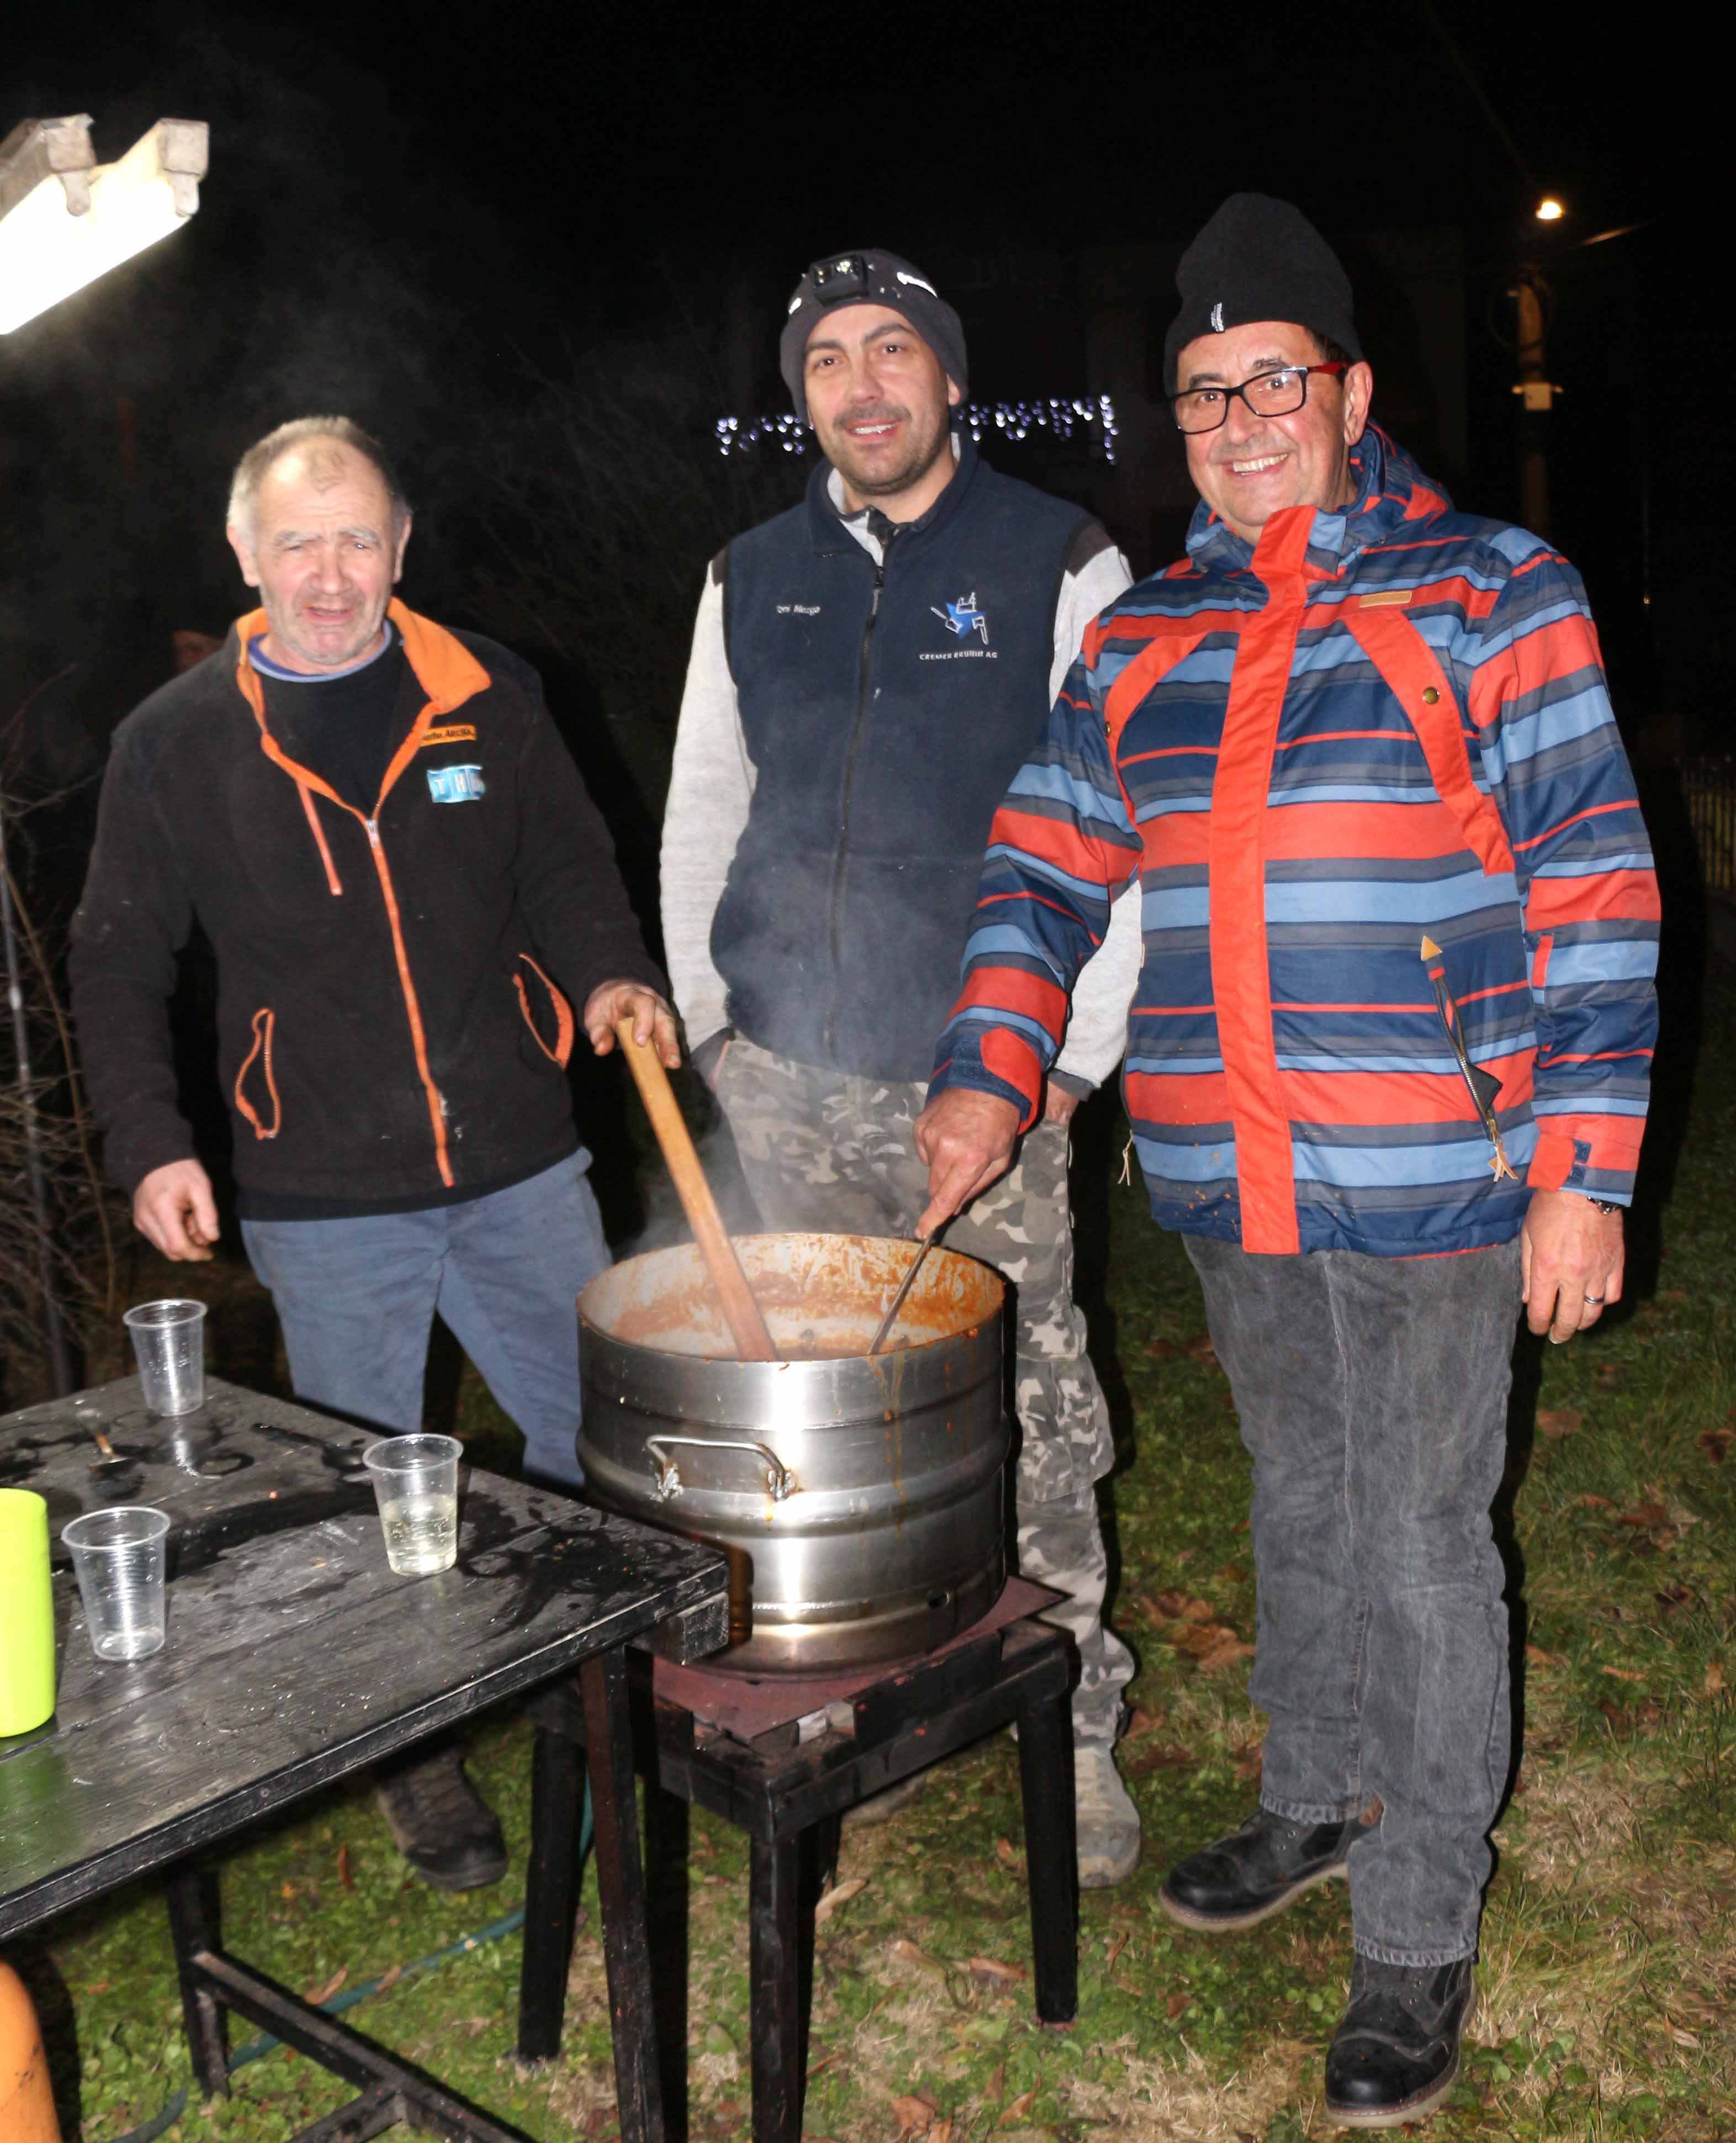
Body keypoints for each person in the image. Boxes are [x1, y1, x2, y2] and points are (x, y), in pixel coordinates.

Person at [914, 195, 1658, 2127]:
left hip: (1442, 1174)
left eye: (1275, 382)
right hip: (1225, 1169)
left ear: (1349, 394)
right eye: (1204, 393)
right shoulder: (1151, 632)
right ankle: (1319, 1798)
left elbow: (1595, 884)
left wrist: (1587, 1167)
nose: (1241, 420)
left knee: (1423, 1543)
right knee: (1301, 1502)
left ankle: (1419, 1925)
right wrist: (991, 1067)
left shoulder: (1500, 587)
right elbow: (1044, 858)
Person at [71, 416, 676, 1893]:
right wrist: (152, 1142)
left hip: (525, 1161)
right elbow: (113, 962)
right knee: (371, 1499)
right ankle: (417, 1758)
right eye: (298, 543)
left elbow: (566, 860)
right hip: (323, 1191)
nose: (330, 575)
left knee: (602, 1447)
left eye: (357, 540)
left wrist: (608, 974)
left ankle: (587, 1699)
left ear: (401, 545)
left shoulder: (485, 689)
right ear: (245, 556)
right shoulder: (175, 744)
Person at [661, 250, 1145, 1885]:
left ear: (947, 377)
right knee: (817, 1440)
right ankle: (842, 1728)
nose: (862, 386)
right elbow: (702, 817)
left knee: (1030, 1416)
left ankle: (1071, 1735)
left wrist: (1065, 1068)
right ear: (799, 395)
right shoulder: (748, 575)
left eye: (892, 353)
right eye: (826, 362)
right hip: (786, 1080)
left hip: (980, 1093)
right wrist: (716, 1031)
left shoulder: (1062, 560)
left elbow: (1126, 830)